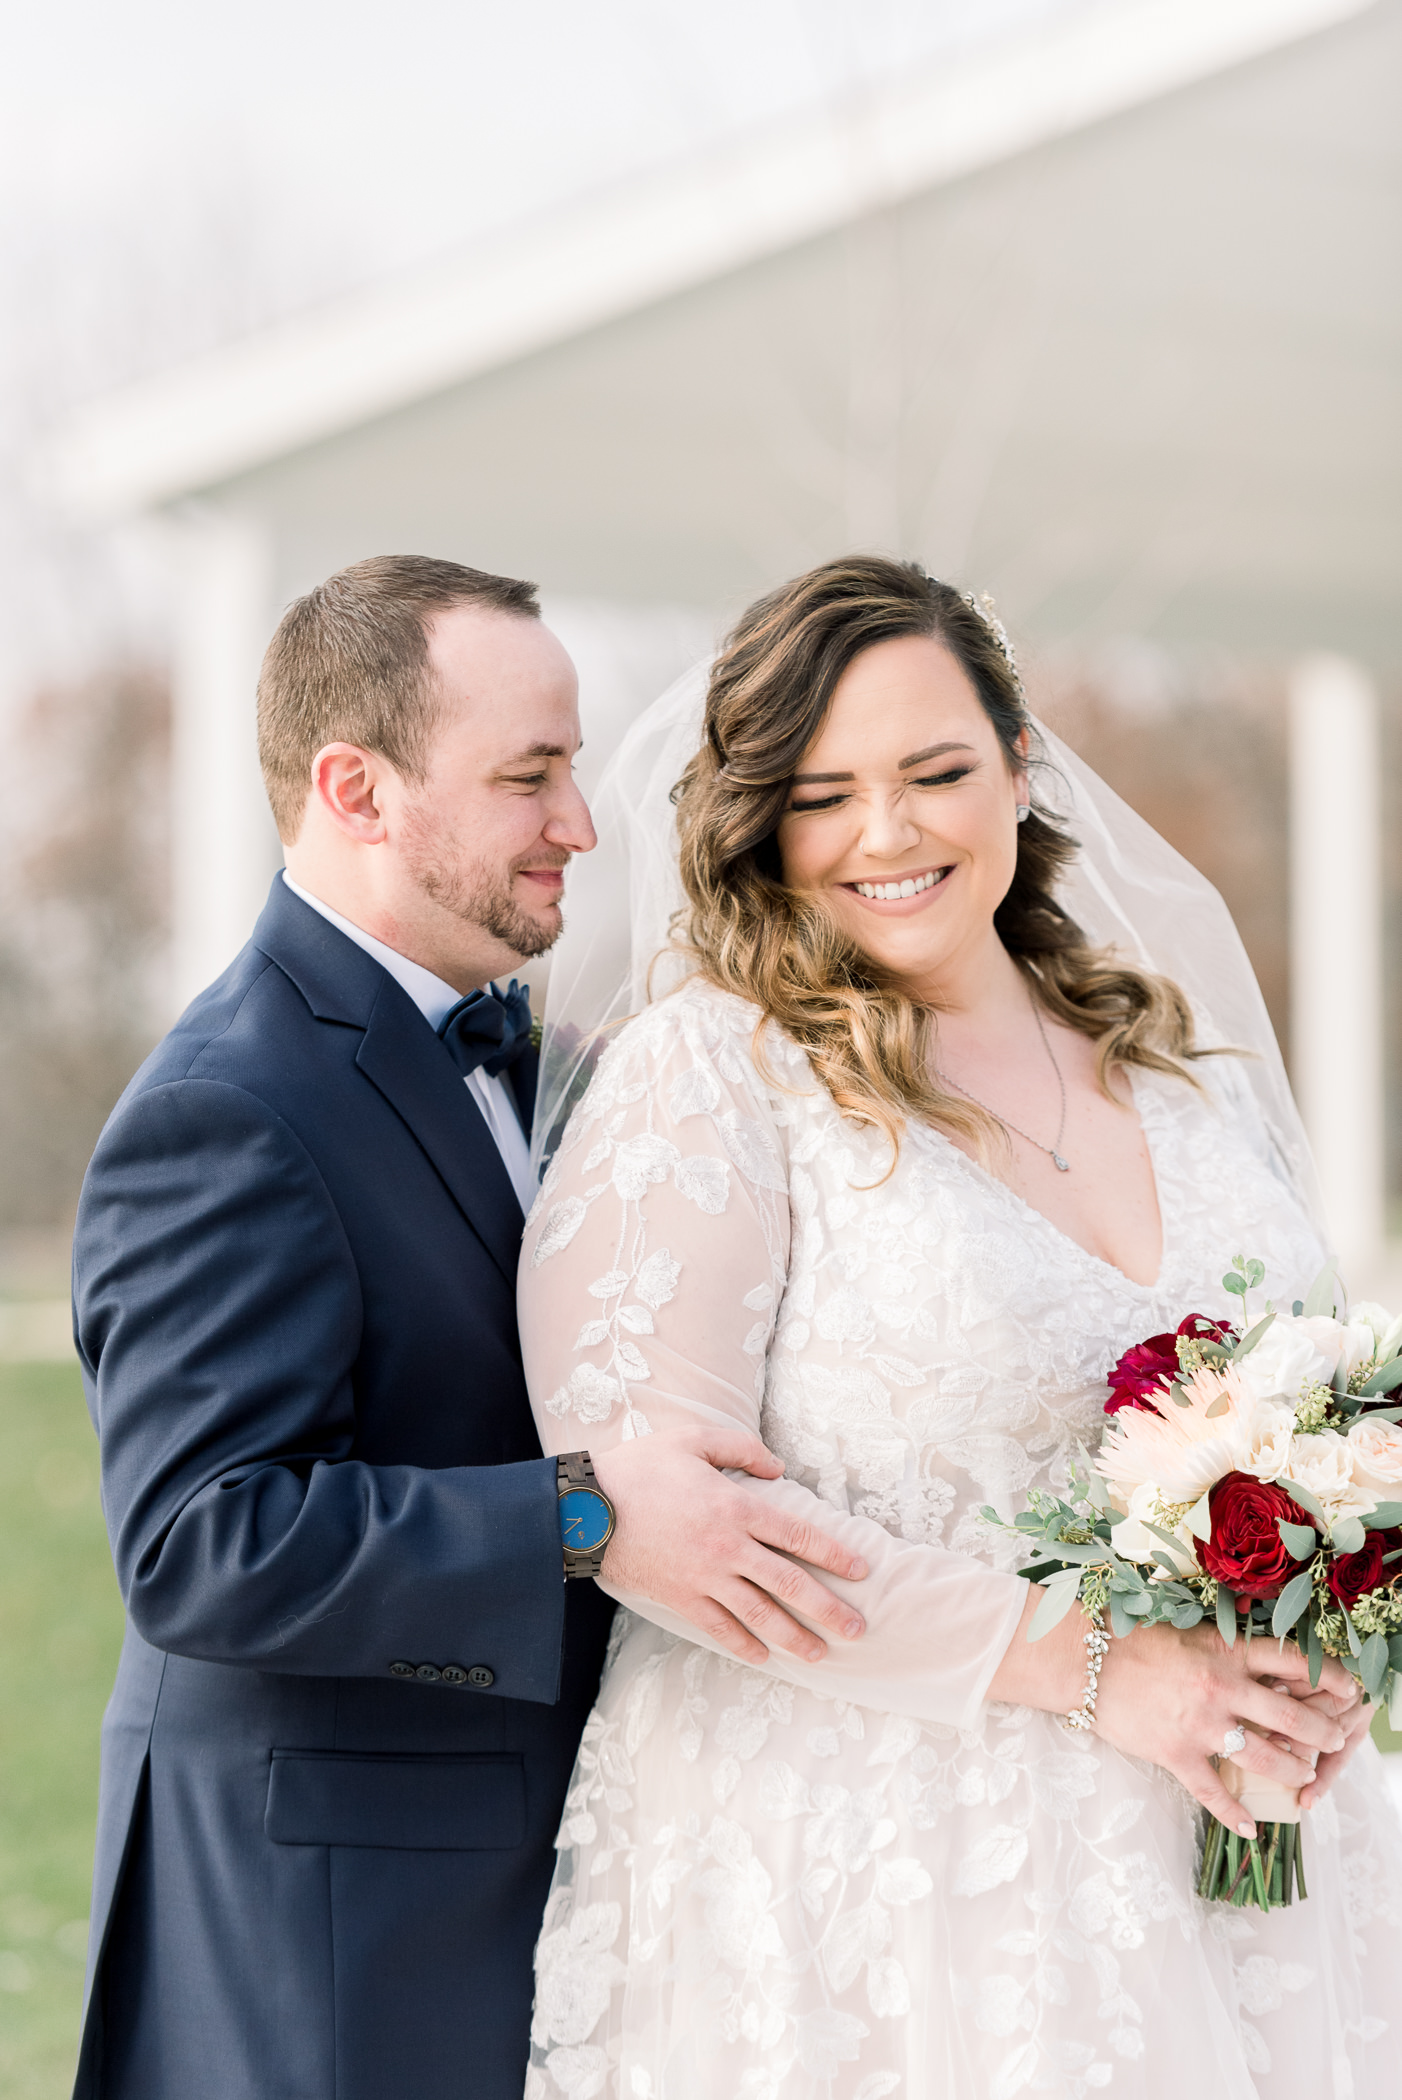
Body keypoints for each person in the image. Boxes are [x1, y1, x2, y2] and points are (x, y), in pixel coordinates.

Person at [519, 554, 1402, 2099]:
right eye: (825, 792)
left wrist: (1321, 1622)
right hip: (888, 1880)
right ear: (757, 823)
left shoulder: (1168, 1061)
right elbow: (669, 1527)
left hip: (1244, 1855)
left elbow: (1317, 1410)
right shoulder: (712, 1078)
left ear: (1016, 768)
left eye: (937, 771)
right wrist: (1096, 1668)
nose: (891, 832)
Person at [70, 556, 871, 2100]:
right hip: (331, 1929)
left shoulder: (517, 1048)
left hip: (534, 1874)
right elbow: (199, 1540)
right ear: (355, 789)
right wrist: (582, 1517)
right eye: (530, 776)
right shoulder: (226, 1108)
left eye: (572, 767)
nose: (581, 819)